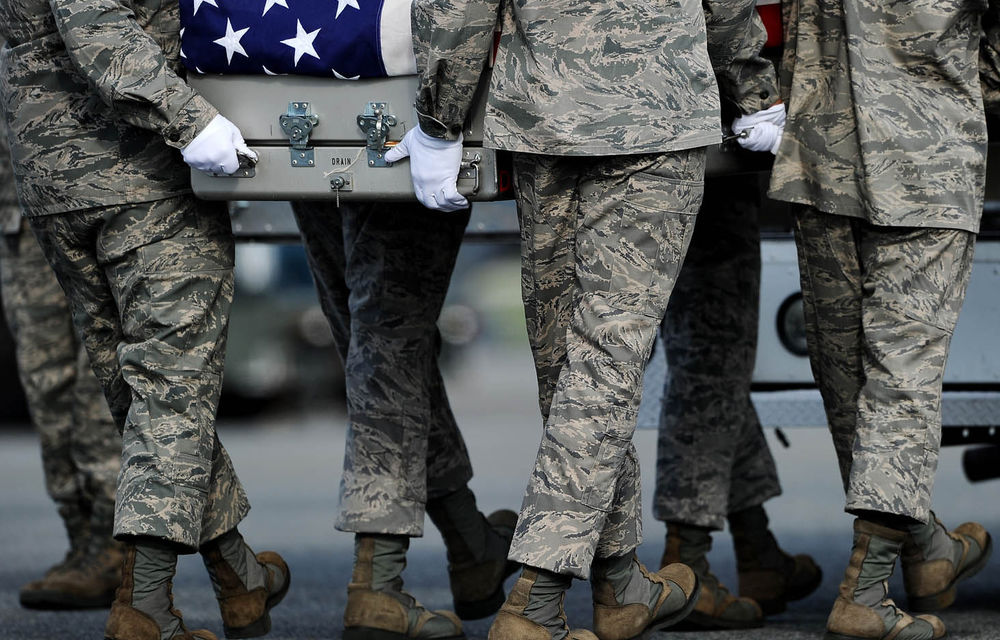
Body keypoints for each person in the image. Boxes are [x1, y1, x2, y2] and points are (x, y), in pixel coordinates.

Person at [387, 0, 788, 638]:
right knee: (604, 360)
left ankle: (619, 579)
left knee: (572, 362)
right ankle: (537, 598)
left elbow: (457, 7)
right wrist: (754, 90)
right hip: (655, 112)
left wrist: (440, 117)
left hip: (543, 114)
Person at [0, 1, 290, 638]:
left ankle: (239, 577)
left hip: (56, 180)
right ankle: (146, 608)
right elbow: (95, 21)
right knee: (171, 392)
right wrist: (190, 122)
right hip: (142, 174)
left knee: (143, 395)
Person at [768, 1, 996, 638]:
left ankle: (924, 550)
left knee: (846, 371)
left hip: (822, 156)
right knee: (900, 376)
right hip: (928, 153)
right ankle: (866, 593)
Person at [652, 6, 821, 630]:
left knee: (705, 347)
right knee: (711, 341)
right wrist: (757, 97)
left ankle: (757, 547)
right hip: (701, 95)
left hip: (599, 106)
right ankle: (687, 562)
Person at [290, 199, 517, 640]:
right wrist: (440, 131)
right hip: (404, 144)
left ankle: (472, 545)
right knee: (388, 336)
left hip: (309, 139)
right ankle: (377, 584)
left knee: (372, 335)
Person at [0, 116, 124, 610]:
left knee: (103, 374)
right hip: (19, 200)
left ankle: (114, 543)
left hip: (105, 181)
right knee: (45, 381)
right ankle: (81, 539)